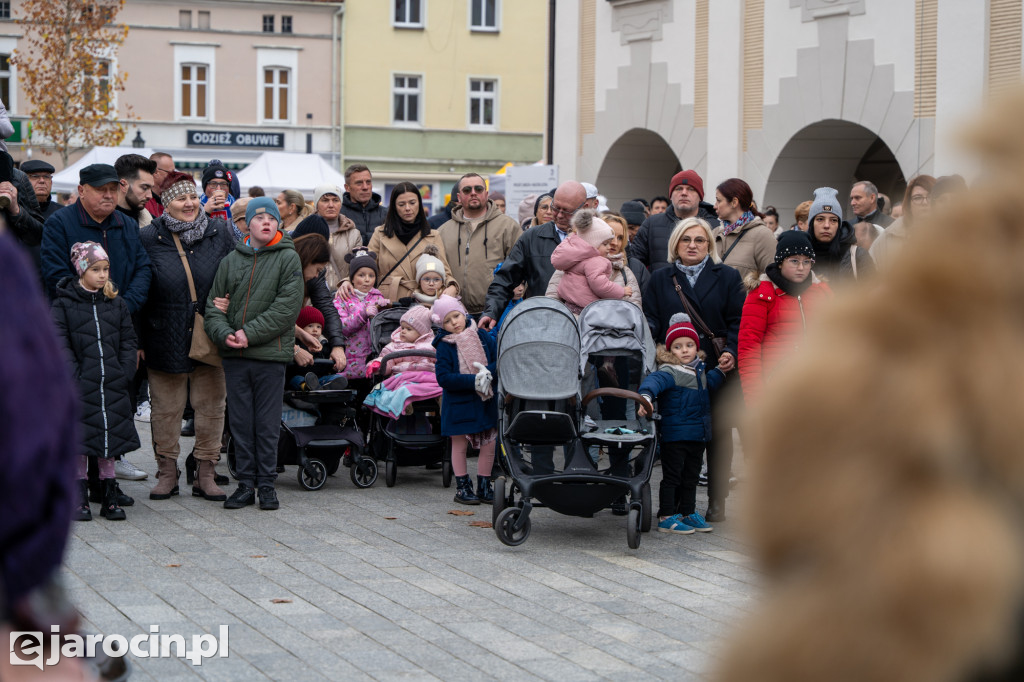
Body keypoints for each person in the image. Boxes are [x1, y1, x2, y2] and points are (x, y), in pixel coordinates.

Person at [139, 171, 236, 502]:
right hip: (162, 334)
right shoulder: (149, 237)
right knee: (166, 410)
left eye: (193, 197)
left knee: (211, 408)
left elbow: (240, 272)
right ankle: (167, 472)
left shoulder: (220, 231)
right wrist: (137, 339)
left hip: (210, 335)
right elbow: (140, 287)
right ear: (167, 204)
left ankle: (205, 472)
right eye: (181, 198)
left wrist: (229, 301)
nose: (190, 204)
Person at [204, 197, 304, 511]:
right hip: (235, 357)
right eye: (258, 217)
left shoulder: (288, 258)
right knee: (241, 422)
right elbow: (213, 308)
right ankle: (245, 484)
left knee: (267, 422)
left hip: (270, 356)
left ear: (279, 223)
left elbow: (286, 309)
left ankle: (267, 485)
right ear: (247, 223)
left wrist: (248, 333)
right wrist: (224, 333)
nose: (265, 222)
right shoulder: (231, 260)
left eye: (271, 217)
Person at [643, 217, 744, 522]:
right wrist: (658, 356)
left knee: (718, 434)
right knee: (679, 437)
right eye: (686, 239)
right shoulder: (661, 278)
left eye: (700, 240)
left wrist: (731, 351)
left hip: (716, 367)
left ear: (709, 245)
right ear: (676, 243)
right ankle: (675, 505)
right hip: (677, 371)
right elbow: (650, 321)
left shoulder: (727, 276)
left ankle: (717, 500)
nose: (693, 245)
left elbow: (739, 321)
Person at [52, 242, 139, 521]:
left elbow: (128, 340)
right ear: (81, 269)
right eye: (95, 269)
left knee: (108, 440)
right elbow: (59, 342)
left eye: (106, 269)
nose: (102, 275)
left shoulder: (116, 302)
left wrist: (124, 371)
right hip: (80, 384)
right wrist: (73, 375)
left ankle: (110, 495)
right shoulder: (64, 303)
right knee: (81, 439)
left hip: (112, 382)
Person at [638, 313, 726, 533]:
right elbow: (654, 382)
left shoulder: (700, 371)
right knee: (673, 477)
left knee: (691, 477)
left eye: (689, 345)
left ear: (697, 347)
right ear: (669, 351)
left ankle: (687, 512)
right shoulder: (670, 371)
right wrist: (646, 397)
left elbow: (709, 383)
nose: (685, 350)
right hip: (675, 436)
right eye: (678, 347)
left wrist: (722, 371)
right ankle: (666, 515)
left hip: (697, 436)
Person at [737, 231, 833, 406]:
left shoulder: (823, 292)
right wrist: (755, 398)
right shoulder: (762, 294)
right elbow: (749, 347)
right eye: (794, 261)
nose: (801, 267)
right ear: (780, 262)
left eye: (807, 261)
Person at [41, 163, 152, 312]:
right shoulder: (59, 223)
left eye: (113, 189)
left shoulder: (127, 224)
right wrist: (95, 310)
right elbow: (57, 275)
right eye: (100, 189)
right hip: (77, 322)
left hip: (124, 320)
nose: (108, 195)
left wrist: (125, 306)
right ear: (82, 191)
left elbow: (142, 269)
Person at [481, 181, 587, 329]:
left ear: (585, 207)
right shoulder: (532, 237)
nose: (559, 215)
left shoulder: (598, 238)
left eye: (567, 211)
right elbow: (505, 278)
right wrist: (491, 312)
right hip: (541, 324)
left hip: (585, 326)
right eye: (556, 208)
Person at [431, 295, 498, 505]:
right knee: (459, 444)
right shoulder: (444, 345)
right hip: (459, 401)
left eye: (456, 316)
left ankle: (485, 484)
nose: (454, 323)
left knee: (489, 442)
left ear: (464, 313)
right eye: (448, 321)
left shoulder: (481, 335)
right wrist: (473, 381)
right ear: (442, 324)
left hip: (484, 400)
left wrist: (488, 373)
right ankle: (462, 486)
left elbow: (499, 359)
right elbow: (443, 378)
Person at [356, 181, 459, 301]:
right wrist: (348, 281)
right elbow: (365, 264)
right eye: (401, 204)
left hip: (422, 301)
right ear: (394, 207)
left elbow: (444, 270)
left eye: (412, 203)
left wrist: (452, 286)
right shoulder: (380, 234)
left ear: (419, 204)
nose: (408, 208)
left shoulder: (433, 235)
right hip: (388, 302)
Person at [437, 173, 522, 315]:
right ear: (459, 197)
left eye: (478, 189)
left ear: (486, 193)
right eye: (467, 190)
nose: (473, 193)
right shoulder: (443, 231)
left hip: (496, 312)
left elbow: (521, 264)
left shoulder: (508, 226)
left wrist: (519, 286)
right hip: (454, 315)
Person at [631, 169, 720, 273]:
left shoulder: (715, 227)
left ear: (700, 197)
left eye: (691, 189)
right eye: (678, 189)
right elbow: (635, 263)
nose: (684, 193)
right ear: (671, 195)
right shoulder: (651, 224)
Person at [363, 305, 441, 419]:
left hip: (428, 378)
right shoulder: (395, 345)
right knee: (402, 389)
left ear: (422, 333)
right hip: (404, 378)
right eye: (402, 328)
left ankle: (443, 403)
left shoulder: (432, 345)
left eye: (409, 329)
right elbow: (386, 359)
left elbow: (441, 361)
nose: (403, 331)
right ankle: (405, 402)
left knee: (442, 387)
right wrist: (376, 365)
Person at [286, 234, 348, 374]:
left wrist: (337, 345)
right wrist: (295, 349)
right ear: (307, 259)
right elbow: (273, 317)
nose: (316, 275)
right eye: (318, 269)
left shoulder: (308, 276)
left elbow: (326, 307)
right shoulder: (281, 272)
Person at [548, 209, 630, 313]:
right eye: (605, 243)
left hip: (571, 310)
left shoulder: (571, 262)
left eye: (620, 238)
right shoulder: (596, 261)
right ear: (593, 245)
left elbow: (634, 306)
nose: (613, 244)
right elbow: (601, 286)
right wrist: (622, 291)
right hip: (592, 314)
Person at [335, 247, 390, 382]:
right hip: (349, 358)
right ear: (352, 278)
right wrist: (363, 314)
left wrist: (385, 312)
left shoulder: (377, 297)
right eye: (361, 275)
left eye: (371, 276)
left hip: (372, 356)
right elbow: (341, 328)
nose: (367, 280)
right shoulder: (342, 298)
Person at [291, 183, 362, 287]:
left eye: (335, 200)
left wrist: (347, 281)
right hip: (311, 295)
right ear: (316, 203)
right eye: (325, 200)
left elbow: (359, 266)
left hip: (343, 296)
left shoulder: (353, 234)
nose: (331, 205)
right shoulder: (305, 229)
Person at [805, 187, 875, 283]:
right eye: (820, 219)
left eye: (833, 220)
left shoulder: (857, 256)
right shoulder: (798, 254)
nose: (826, 225)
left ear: (839, 225)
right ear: (811, 223)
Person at [712, 178, 776, 282]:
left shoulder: (762, 235)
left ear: (734, 202)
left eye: (719, 200)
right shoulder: (714, 233)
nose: (715, 206)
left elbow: (773, 278)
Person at [869, 174, 936, 272]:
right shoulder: (889, 237)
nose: (925, 202)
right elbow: (868, 277)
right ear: (909, 204)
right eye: (918, 198)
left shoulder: (953, 235)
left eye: (930, 197)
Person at [339, 163, 387, 245]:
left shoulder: (386, 214)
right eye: (359, 183)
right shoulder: (339, 214)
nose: (365, 187)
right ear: (347, 188)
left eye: (368, 182)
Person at [114, 153, 156, 228]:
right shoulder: (101, 222)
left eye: (151, 189)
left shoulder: (154, 224)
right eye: (144, 188)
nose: (150, 196)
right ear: (123, 185)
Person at [145, 152, 175, 218]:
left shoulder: (171, 200)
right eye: (171, 172)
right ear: (155, 172)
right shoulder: (143, 200)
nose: (174, 176)